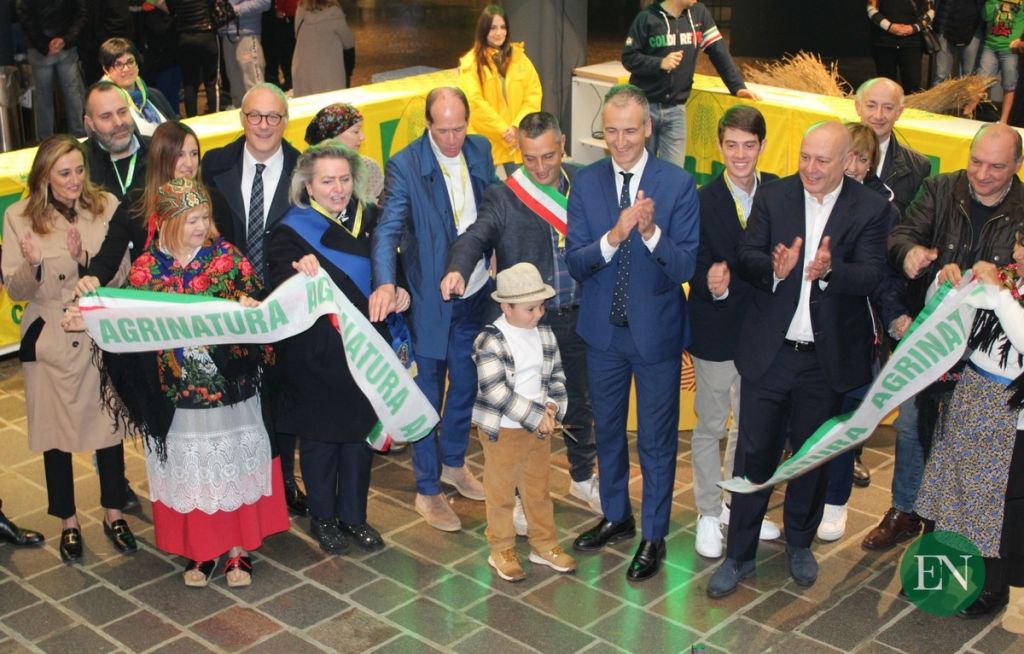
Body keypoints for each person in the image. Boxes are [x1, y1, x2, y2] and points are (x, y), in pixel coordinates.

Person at [706, 121, 894, 598]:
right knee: (754, 457)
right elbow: (746, 254)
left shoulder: (871, 207)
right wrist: (773, 268)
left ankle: (799, 544)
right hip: (770, 355)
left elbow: (873, 274)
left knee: (812, 458)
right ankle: (738, 554)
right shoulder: (775, 197)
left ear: (846, 161)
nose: (810, 168)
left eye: (822, 161)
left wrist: (831, 271)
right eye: (805, 157)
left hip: (825, 361)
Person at [116, 177, 289, 587]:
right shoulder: (146, 269)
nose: (201, 226)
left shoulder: (226, 258)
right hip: (177, 395)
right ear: (168, 222)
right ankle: (202, 549)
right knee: (192, 469)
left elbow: (260, 302)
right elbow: (123, 317)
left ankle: (238, 548)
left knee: (231, 463)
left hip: (228, 391)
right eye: (191, 219)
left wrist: (250, 305)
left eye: (205, 217)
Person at [868, 123, 1024, 554]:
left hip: (988, 351)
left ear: (1017, 165)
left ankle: (953, 529)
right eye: (976, 162)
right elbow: (900, 235)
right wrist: (910, 254)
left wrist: (994, 283)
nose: (983, 174)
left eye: (996, 167)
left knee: (962, 445)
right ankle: (905, 509)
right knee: (911, 425)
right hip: (935, 334)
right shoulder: (940, 188)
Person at [441, 111, 600, 530]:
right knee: (519, 414)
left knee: (580, 401)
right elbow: (475, 237)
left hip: (579, 313)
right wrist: (458, 268)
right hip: (530, 325)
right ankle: (515, 496)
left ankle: (583, 476)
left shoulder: (585, 182)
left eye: (548, 156)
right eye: (530, 159)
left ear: (562, 144)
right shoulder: (505, 196)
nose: (540, 167)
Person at [566, 84, 698, 582]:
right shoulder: (586, 183)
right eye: (612, 132)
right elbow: (576, 261)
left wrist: (649, 233)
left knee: (657, 441)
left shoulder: (677, 185)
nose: (620, 142)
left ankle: (654, 534)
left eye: (630, 131)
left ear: (648, 128)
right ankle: (617, 516)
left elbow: (685, 265)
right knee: (607, 432)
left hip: (656, 337)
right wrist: (615, 236)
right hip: (603, 335)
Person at [269, 141, 409, 554]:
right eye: (328, 181)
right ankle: (323, 517)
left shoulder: (373, 219)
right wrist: (299, 275)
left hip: (367, 348)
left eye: (345, 179)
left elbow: (395, 269)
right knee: (321, 440)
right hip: (318, 353)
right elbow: (277, 290)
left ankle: (354, 516)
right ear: (308, 186)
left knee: (359, 438)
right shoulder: (290, 231)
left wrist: (400, 292)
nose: (338, 189)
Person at [1, 135, 135, 563]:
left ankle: (115, 513)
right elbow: (15, 290)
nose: (75, 180)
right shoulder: (18, 216)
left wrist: (85, 258)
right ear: (45, 176)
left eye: (79, 170)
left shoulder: (106, 205)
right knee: (55, 434)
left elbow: (122, 273)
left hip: (96, 330)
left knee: (108, 426)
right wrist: (33, 264)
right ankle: (68, 522)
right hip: (50, 334)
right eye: (64, 173)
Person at [370, 86, 495, 532]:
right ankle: (427, 489)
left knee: (466, 384)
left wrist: (496, 250)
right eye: (442, 131)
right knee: (426, 396)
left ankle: (454, 463)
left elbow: (492, 208)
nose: (452, 140)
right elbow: (387, 229)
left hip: (476, 293)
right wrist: (385, 282)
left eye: (459, 129)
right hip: (430, 299)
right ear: (427, 125)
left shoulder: (480, 149)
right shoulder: (405, 165)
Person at [201, 82, 306, 516]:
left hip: (284, 302)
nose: (264, 125)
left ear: (285, 121)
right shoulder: (215, 164)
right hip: (231, 303)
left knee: (284, 394)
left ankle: (283, 480)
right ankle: (242, 482)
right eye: (255, 116)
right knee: (238, 395)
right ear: (242, 119)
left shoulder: (304, 168)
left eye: (273, 117)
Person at [687, 105, 780, 560]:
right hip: (716, 329)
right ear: (719, 146)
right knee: (710, 423)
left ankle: (736, 505)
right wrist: (711, 283)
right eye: (731, 145)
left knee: (751, 425)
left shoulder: (779, 191)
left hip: (763, 332)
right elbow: (692, 259)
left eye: (749, 145)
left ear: (762, 146)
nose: (740, 155)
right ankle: (707, 511)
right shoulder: (702, 199)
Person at [915, 256, 1024, 618]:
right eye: (1020, 243)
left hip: (1009, 409)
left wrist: (998, 294)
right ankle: (937, 572)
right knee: (950, 483)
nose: (1020, 254)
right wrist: (944, 284)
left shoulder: (1002, 287)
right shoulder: (1007, 277)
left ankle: (991, 586)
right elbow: (949, 313)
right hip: (971, 390)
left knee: (991, 503)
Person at [472, 262, 575, 582]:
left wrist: (552, 409)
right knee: (501, 493)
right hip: (503, 430)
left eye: (541, 307)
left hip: (538, 429)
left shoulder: (544, 334)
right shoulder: (490, 340)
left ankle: (543, 544)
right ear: (506, 307)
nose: (538, 314)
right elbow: (496, 391)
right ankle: (500, 548)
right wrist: (535, 415)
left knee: (538, 490)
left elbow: (556, 377)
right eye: (530, 309)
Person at [78, 121, 229, 290]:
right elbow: (108, 258)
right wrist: (92, 279)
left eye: (194, 153)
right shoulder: (135, 203)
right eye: (180, 155)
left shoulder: (214, 201)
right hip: (152, 300)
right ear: (161, 158)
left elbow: (230, 257)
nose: (189, 163)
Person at [621, 0, 758, 168]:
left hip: (676, 110)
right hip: (644, 108)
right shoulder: (647, 18)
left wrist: (738, 87)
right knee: (639, 169)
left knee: (674, 174)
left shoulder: (699, 14)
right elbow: (629, 57)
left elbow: (718, 51)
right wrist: (659, 63)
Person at [457, 4, 541, 173]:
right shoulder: (471, 64)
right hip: (486, 143)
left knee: (521, 188)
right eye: (493, 28)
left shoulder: (519, 58)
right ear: (483, 30)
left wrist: (516, 127)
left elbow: (533, 95)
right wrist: (503, 131)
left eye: (503, 27)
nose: (499, 33)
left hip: (515, 142)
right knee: (484, 188)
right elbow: (474, 103)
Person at [17, 0, 87, 140]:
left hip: (39, 49)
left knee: (43, 97)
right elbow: (81, 13)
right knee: (72, 94)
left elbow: (25, 16)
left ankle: (46, 141)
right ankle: (79, 137)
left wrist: (43, 45)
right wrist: (65, 39)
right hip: (65, 46)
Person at [83, 81, 150, 202]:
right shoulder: (80, 163)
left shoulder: (159, 151)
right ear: (91, 123)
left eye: (122, 112)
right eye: (106, 117)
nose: (118, 123)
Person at [305, 103, 385, 202]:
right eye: (356, 131)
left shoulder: (369, 166)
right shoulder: (308, 172)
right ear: (332, 137)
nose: (362, 137)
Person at [98, 37, 177, 136]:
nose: (126, 69)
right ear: (106, 70)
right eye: (118, 64)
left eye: (130, 62)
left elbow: (177, 129)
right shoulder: (105, 105)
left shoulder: (155, 95)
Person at [164, 0, 219, 117]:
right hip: (206, 34)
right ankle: (214, 116)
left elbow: (171, 10)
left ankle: (191, 119)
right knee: (211, 82)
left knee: (189, 83)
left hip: (185, 37)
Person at [291, 0, 355, 98]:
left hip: (302, 70)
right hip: (328, 73)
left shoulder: (301, 10)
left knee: (307, 104)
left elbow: (296, 34)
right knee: (330, 105)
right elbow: (349, 42)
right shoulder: (334, 14)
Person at [866, 0, 934, 93]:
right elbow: (871, 8)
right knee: (886, 86)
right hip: (884, 42)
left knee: (912, 85)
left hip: (912, 42)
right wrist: (889, 27)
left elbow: (931, 11)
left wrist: (914, 28)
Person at [978, 0, 1024, 123]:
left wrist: (1021, 42)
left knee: (1009, 85)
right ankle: (969, 112)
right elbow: (986, 16)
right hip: (990, 45)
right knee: (980, 83)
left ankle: (1004, 120)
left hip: (1010, 49)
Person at [219, 0, 270, 109]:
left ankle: (260, 112)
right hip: (227, 34)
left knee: (253, 82)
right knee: (235, 86)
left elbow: (264, 2)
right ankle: (242, 113)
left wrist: (236, 10)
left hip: (248, 34)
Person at [931, 0, 984, 85]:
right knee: (941, 75)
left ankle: (964, 94)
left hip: (973, 26)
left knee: (968, 76)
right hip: (945, 25)